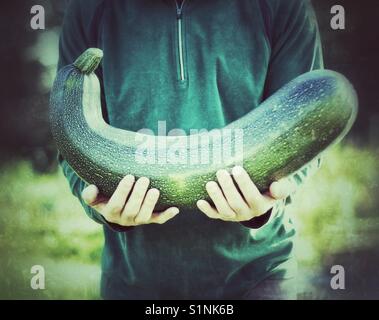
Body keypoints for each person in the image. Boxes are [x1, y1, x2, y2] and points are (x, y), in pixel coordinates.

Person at [58, 0, 323, 299]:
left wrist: (269, 202)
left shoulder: (285, 6)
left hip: (259, 277)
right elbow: (72, 138)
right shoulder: (88, 9)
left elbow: (305, 130)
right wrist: (104, 207)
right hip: (134, 285)